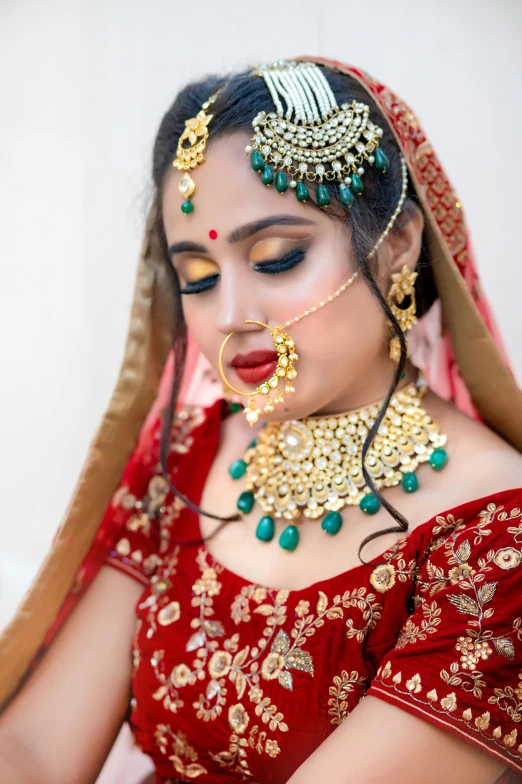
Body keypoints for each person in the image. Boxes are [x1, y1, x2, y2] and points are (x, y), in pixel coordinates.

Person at [0, 56, 521, 784]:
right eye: (199, 279)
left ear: (397, 244)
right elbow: (39, 750)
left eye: (277, 258)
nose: (232, 317)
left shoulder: (497, 535)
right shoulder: (185, 456)